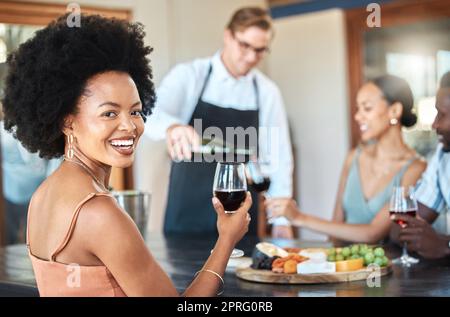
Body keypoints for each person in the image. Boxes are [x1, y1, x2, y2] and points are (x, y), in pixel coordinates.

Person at [2, 14, 251, 297]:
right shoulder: (100, 213)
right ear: (67, 121)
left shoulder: (42, 196)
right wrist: (227, 239)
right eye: (109, 113)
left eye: (135, 111)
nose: (130, 126)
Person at [145, 7, 294, 238]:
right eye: (245, 45)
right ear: (228, 35)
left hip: (239, 217)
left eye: (260, 50)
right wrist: (172, 127)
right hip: (187, 213)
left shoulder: (266, 92)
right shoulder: (190, 75)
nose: (252, 57)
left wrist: (281, 219)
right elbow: (150, 113)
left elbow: (279, 157)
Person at [266, 75, 427, 244]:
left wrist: (299, 217)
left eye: (367, 108)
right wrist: (327, 264)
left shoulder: (415, 169)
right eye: (358, 109)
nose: (358, 116)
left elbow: (373, 233)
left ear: (394, 111)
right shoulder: (354, 157)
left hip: (383, 268)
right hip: (346, 267)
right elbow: (336, 227)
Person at [392, 71, 450, 259]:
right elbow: (398, 228)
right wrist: (414, 235)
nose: (434, 125)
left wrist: (445, 245)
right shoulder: (443, 157)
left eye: (441, 115)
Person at [0, 120, 60, 244]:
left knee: (34, 232)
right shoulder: (3, 130)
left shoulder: (38, 127)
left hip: (37, 189)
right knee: (11, 232)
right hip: (11, 189)